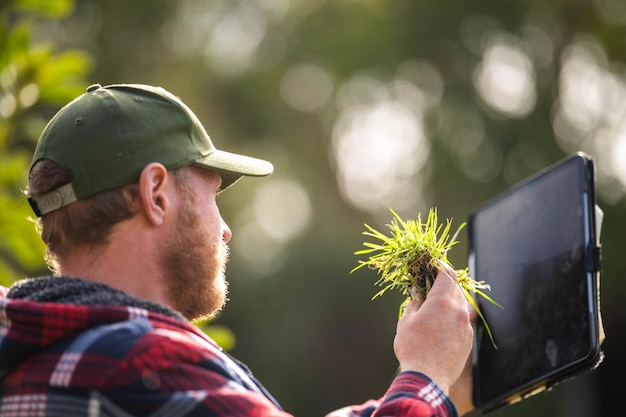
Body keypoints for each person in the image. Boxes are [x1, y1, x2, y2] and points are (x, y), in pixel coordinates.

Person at [0, 84, 474, 417]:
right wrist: (425, 370)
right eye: (211, 198)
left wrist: (437, 392)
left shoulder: (39, 348)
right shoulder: (144, 362)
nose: (225, 231)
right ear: (156, 195)